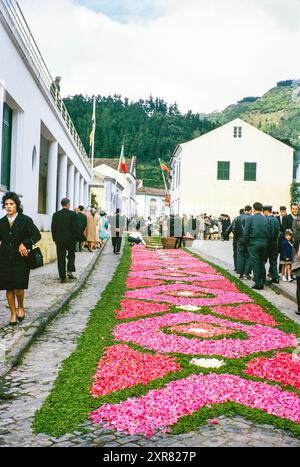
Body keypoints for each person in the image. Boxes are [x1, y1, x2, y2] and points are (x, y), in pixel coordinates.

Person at [0, 192, 41, 326]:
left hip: (21, 259)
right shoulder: (1, 222)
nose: (8, 207)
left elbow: (36, 235)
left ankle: (21, 306)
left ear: (17, 205)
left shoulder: (25, 220)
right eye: (6, 204)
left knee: (18, 288)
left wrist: (25, 243)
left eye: (11, 204)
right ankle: (12, 314)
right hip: (5, 259)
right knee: (9, 288)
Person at [243, 202, 271, 290]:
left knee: (256, 263)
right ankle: (262, 281)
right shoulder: (266, 219)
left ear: (253, 209)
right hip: (265, 244)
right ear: (262, 209)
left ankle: (258, 283)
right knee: (262, 263)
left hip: (253, 243)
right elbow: (269, 232)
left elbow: (245, 233)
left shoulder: (250, 219)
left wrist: (247, 243)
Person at [51, 198, 78, 283]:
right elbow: (75, 227)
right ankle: (69, 270)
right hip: (70, 239)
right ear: (68, 204)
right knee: (71, 255)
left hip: (60, 239)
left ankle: (62, 276)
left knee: (61, 257)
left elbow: (53, 227)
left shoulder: (56, 214)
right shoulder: (73, 214)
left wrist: (55, 238)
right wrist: (75, 238)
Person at [263, 205, 280, 284]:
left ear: (266, 211)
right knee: (273, 261)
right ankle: (275, 277)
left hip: (267, 243)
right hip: (274, 243)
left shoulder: (265, 219)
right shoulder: (276, 219)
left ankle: (262, 277)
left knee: (263, 261)